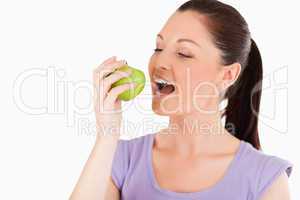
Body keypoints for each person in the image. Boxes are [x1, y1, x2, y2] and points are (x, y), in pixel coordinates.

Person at [70, 0, 293, 199]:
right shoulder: (119, 159)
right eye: (158, 48)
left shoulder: (266, 179)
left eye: (184, 53)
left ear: (227, 75)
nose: (159, 63)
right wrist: (107, 134)